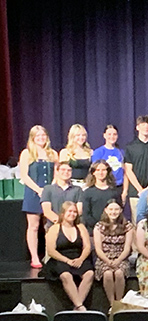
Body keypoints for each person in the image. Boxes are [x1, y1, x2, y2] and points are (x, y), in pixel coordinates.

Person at [20, 125, 58, 268]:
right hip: (33, 193)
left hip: (49, 192)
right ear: (33, 138)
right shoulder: (27, 153)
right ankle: (34, 257)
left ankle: (50, 255)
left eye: (43, 135)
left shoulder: (52, 153)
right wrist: (38, 190)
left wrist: (49, 189)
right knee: (34, 226)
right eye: (38, 136)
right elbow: (24, 175)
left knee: (50, 225)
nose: (41, 138)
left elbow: (56, 173)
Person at [44, 202, 94, 311]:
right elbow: (51, 250)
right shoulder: (55, 228)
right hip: (60, 258)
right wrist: (67, 260)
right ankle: (81, 307)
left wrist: (81, 259)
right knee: (66, 275)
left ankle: (77, 306)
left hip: (78, 258)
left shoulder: (80, 227)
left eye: (75, 212)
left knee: (89, 274)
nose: (72, 214)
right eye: (69, 211)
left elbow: (87, 247)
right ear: (63, 213)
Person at [93, 199, 134, 307]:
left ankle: (119, 302)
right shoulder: (99, 226)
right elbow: (98, 249)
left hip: (121, 257)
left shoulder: (128, 226)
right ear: (106, 210)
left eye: (116, 209)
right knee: (107, 274)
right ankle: (112, 304)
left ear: (120, 210)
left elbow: (127, 249)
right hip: (104, 258)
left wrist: (118, 261)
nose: (113, 212)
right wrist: (108, 261)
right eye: (111, 209)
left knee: (119, 273)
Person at [125, 115, 148, 216]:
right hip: (135, 192)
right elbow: (128, 170)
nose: (146, 127)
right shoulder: (130, 147)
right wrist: (140, 190)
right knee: (138, 221)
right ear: (137, 127)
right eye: (143, 124)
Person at [79, 160, 123, 232]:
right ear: (93, 172)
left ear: (108, 172)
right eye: (98, 170)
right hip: (93, 231)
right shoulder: (88, 192)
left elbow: (120, 211)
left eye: (103, 170)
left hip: (112, 231)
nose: (101, 173)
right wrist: (99, 227)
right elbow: (86, 215)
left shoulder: (115, 192)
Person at [41, 162, 84, 231]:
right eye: (63, 170)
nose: (66, 172)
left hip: (72, 227)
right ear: (57, 172)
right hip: (53, 227)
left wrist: (68, 224)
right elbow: (47, 211)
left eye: (69, 170)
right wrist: (61, 224)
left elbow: (79, 210)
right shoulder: (48, 189)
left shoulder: (77, 190)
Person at [92, 125, 128, 197]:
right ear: (104, 135)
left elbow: (125, 172)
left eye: (114, 134)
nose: (112, 136)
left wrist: (125, 191)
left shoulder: (121, 152)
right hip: (105, 187)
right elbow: (95, 171)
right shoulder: (98, 152)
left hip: (118, 187)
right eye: (109, 134)